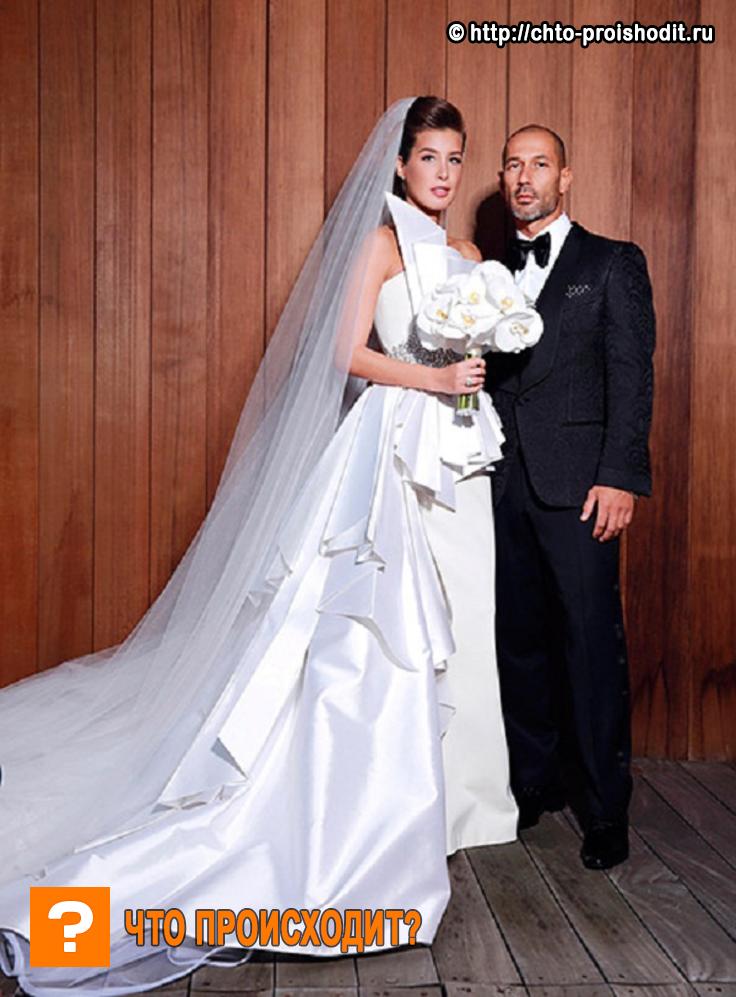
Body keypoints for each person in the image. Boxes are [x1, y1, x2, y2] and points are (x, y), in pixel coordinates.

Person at [0, 97, 521, 997]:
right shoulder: (380, 246)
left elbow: (479, 349)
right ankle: (364, 804)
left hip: (458, 456)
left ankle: (462, 799)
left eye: (454, 158)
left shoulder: (473, 258)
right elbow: (345, 353)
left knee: (464, 618)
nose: (442, 173)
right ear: (401, 166)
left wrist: (469, 373)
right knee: (375, 627)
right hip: (389, 449)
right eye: (428, 157)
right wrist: (433, 376)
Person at [486, 124, 656, 870]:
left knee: (589, 645)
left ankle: (605, 808)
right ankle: (533, 782)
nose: (525, 177)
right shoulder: (485, 270)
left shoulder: (612, 262)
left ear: (566, 177)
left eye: (540, 164)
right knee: (517, 640)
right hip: (500, 482)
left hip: (583, 487)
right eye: (513, 165)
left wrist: (621, 475)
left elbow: (633, 376)